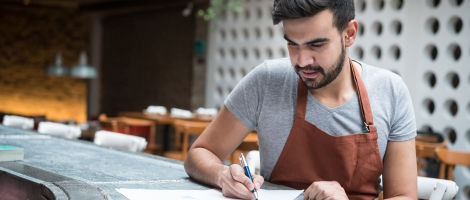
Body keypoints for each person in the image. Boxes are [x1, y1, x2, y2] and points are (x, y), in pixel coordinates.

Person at [184, 0, 417, 199]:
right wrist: (222, 175)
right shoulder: (265, 82)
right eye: (292, 44)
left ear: (349, 34)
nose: (303, 61)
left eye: (317, 44)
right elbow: (200, 153)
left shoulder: (390, 91)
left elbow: (405, 195)